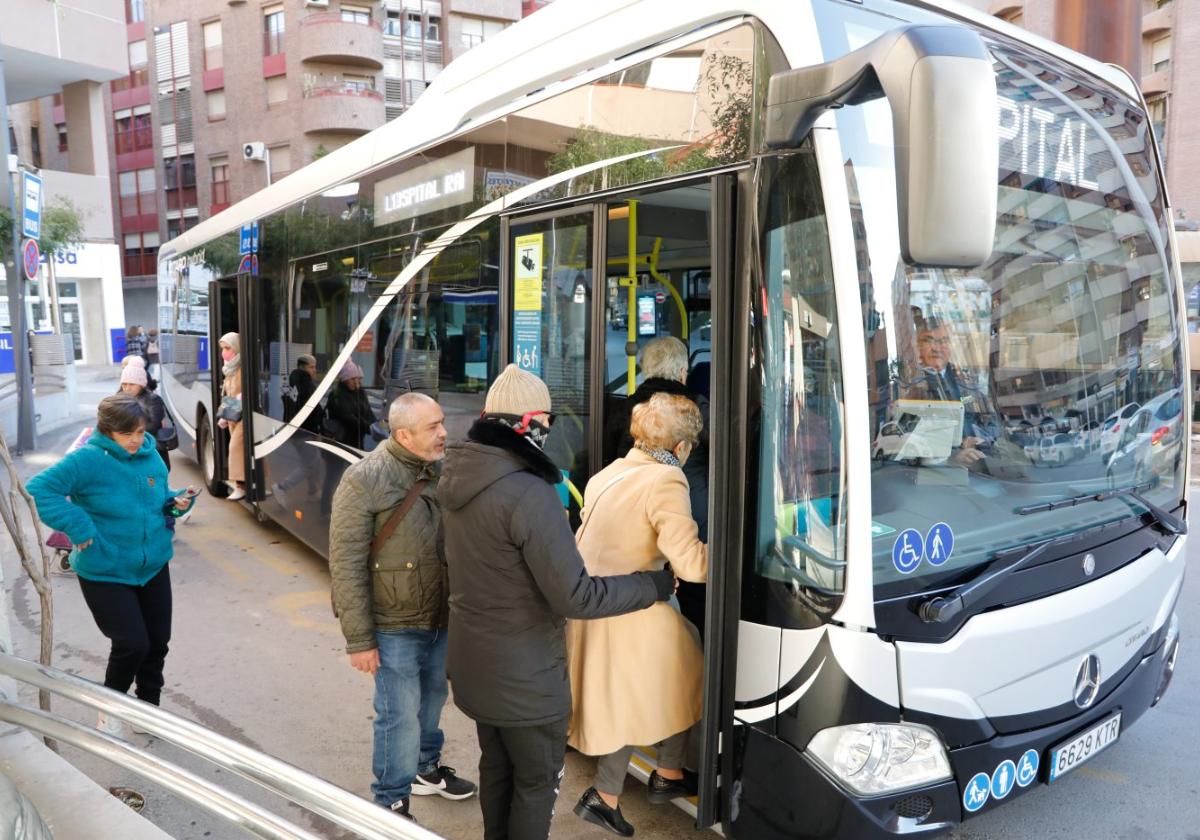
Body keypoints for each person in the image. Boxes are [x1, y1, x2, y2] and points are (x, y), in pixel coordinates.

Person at [438, 364, 676, 840]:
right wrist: (653, 586)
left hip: (473, 666)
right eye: (544, 420)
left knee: (498, 770)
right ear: (530, 422)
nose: (549, 430)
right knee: (536, 784)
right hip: (527, 680)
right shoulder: (529, 492)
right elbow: (576, 595)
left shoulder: (458, 477)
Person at [329, 392, 477, 821]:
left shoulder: (444, 469)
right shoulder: (364, 479)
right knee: (399, 716)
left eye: (442, 422)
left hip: (439, 616)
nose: (444, 432)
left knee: (432, 700)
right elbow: (346, 563)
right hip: (393, 625)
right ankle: (390, 803)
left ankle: (425, 769)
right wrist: (359, 640)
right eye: (433, 427)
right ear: (403, 434)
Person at [569, 393, 708, 836]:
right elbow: (691, 564)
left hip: (593, 609)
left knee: (637, 690)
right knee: (689, 661)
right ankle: (663, 774)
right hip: (628, 608)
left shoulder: (609, 472)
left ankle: (626, 789)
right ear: (682, 447)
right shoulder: (667, 479)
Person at [27, 394, 195, 738]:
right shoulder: (87, 460)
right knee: (132, 643)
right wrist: (78, 526)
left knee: (157, 643)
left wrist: (175, 503)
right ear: (108, 430)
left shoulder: (151, 456)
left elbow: (158, 501)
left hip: (152, 565)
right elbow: (39, 488)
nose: (136, 440)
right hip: (105, 569)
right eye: (127, 434)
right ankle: (111, 708)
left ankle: (148, 711)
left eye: (139, 431)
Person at [605, 336, 710, 635]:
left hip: (631, 532)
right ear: (681, 373)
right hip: (692, 527)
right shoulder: (696, 410)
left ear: (645, 371)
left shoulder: (623, 410)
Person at [119, 363, 170, 471]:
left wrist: (130, 434)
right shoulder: (120, 399)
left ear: (141, 384)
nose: (127, 388)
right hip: (128, 451)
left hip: (150, 449)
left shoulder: (153, 399)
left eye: (132, 384)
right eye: (124, 384)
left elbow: (154, 425)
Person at [217, 333, 246, 500]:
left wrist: (229, 409)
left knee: (235, 448)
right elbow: (229, 394)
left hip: (243, 415)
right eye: (223, 349)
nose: (224, 353)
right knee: (237, 448)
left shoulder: (242, 368)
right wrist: (225, 413)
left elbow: (241, 394)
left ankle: (240, 486)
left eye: (228, 348)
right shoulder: (230, 368)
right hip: (233, 416)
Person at [327, 361, 377, 448]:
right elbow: (348, 417)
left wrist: (376, 425)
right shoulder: (338, 395)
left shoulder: (360, 393)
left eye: (357, 378)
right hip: (341, 440)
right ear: (344, 379)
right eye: (352, 378)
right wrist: (368, 427)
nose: (356, 382)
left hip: (358, 440)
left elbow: (368, 412)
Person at [283, 354, 323, 434]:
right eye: (311, 367)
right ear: (301, 367)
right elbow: (314, 408)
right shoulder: (306, 384)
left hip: (293, 428)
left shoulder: (292, 382)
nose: (314, 370)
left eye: (314, 367)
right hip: (308, 429)